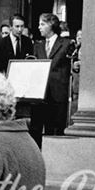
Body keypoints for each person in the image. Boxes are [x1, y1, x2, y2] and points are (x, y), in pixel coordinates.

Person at [32, 12, 71, 141]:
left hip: (57, 92)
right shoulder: (38, 46)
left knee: (56, 129)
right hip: (41, 94)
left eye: (42, 24)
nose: (39, 27)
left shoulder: (66, 43)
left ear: (51, 25)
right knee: (38, 128)